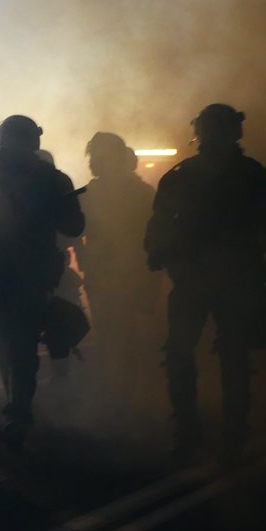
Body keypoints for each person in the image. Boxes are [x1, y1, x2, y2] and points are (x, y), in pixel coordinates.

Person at [0, 115, 85, 449]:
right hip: (31, 277)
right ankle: (19, 412)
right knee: (19, 347)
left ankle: (18, 411)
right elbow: (74, 226)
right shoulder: (51, 179)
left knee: (7, 342)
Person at [145, 104, 266, 464]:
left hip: (224, 279)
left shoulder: (247, 176)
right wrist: (157, 250)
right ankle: (203, 429)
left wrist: (158, 251)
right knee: (202, 354)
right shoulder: (247, 175)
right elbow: (160, 223)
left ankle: (214, 430)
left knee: (220, 354)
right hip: (208, 279)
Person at [76, 132, 158, 398]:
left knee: (121, 335)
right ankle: (123, 392)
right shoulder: (137, 192)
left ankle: (124, 393)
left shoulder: (136, 193)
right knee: (117, 334)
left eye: (97, 156)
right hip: (109, 273)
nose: (93, 162)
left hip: (125, 273)